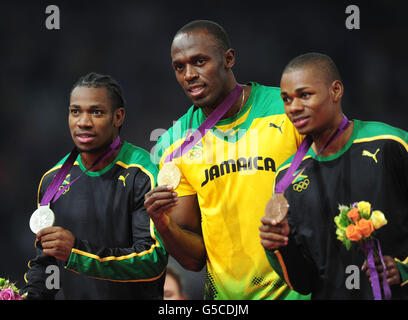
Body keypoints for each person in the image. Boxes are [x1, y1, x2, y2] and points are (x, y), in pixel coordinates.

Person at [144, 20, 308, 300]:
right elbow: (193, 260)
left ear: (228, 59)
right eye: (179, 67)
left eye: (199, 61)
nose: (189, 75)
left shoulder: (287, 110)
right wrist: (163, 224)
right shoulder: (172, 145)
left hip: (302, 293)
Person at [259, 52, 408, 299]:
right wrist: (276, 248)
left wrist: (403, 268)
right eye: (286, 99)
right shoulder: (286, 180)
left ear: (335, 91)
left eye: (304, 95)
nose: (294, 108)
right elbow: (303, 283)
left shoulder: (389, 145)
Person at [23, 72, 168, 299]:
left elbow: (152, 261)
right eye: (75, 112)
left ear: (118, 117)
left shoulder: (144, 174)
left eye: (96, 112)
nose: (83, 122)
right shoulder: (52, 181)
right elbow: (46, 265)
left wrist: (77, 253)